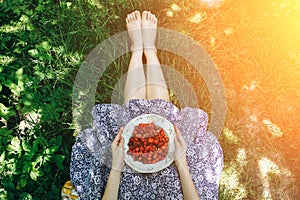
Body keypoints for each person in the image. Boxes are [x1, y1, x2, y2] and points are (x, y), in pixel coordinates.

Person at [70, 10, 223, 200]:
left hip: (126, 186)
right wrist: (181, 164)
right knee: (161, 120)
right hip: (174, 182)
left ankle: (137, 51)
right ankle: (149, 51)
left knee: (131, 127)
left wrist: (117, 165)